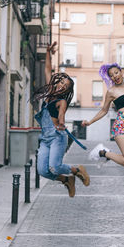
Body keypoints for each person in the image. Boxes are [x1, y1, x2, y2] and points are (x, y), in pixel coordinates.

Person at [32, 41, 90, 198]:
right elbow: (47, 69)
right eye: (62, 82)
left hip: (57, 136)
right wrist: (48, 53)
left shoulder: (62, 102)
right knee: (42, 170)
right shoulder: (50, 91)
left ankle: (77, 170)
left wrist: (62, 124)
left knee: (55, 167)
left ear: (67, 90)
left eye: (66, 86)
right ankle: (67, 180)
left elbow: (62, 116)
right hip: (45, 138)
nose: (62, 86)